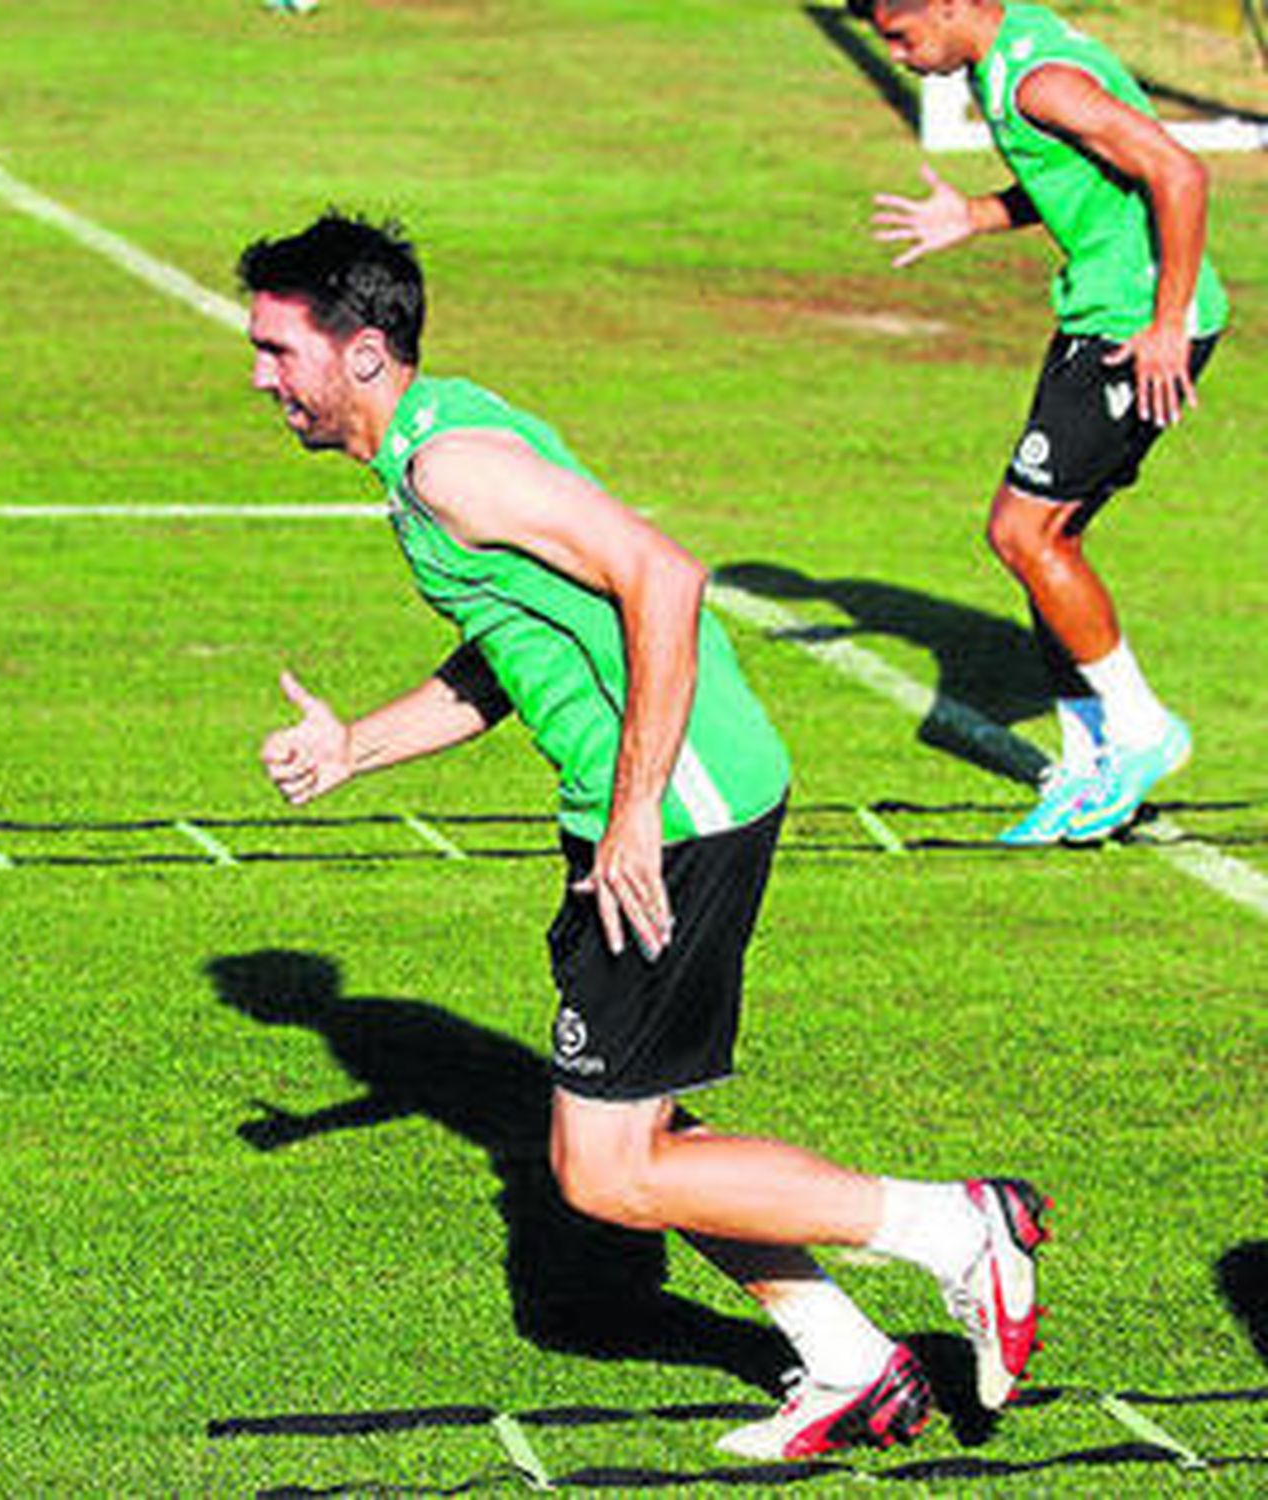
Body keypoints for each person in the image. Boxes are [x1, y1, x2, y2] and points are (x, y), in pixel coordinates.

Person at [237, 211, 1048, 1461]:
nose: (259, 378)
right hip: (648, 810)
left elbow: (662, 574)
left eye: (277, 350)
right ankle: (848, 1365)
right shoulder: (432, 437)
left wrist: (629, 818)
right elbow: (520, 646)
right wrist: (357, 745)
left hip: (674, 813)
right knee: (642, 1139)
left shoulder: (451, 464)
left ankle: (957, 1229)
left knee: (605, 1174)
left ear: (357, 352)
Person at [850, 0, 1228, 846]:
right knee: (1047, 541)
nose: (901, 57)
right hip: (1100, 313)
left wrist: (1167, 323)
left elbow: (1179, 172)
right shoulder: (1011, 55)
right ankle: (1089, 762)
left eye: (902, 36)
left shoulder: (1040, 81)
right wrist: (977, 216)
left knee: (1024, 533)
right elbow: (1083, 174)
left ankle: (1139, 732)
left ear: (948, 4)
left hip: (1133, 330)